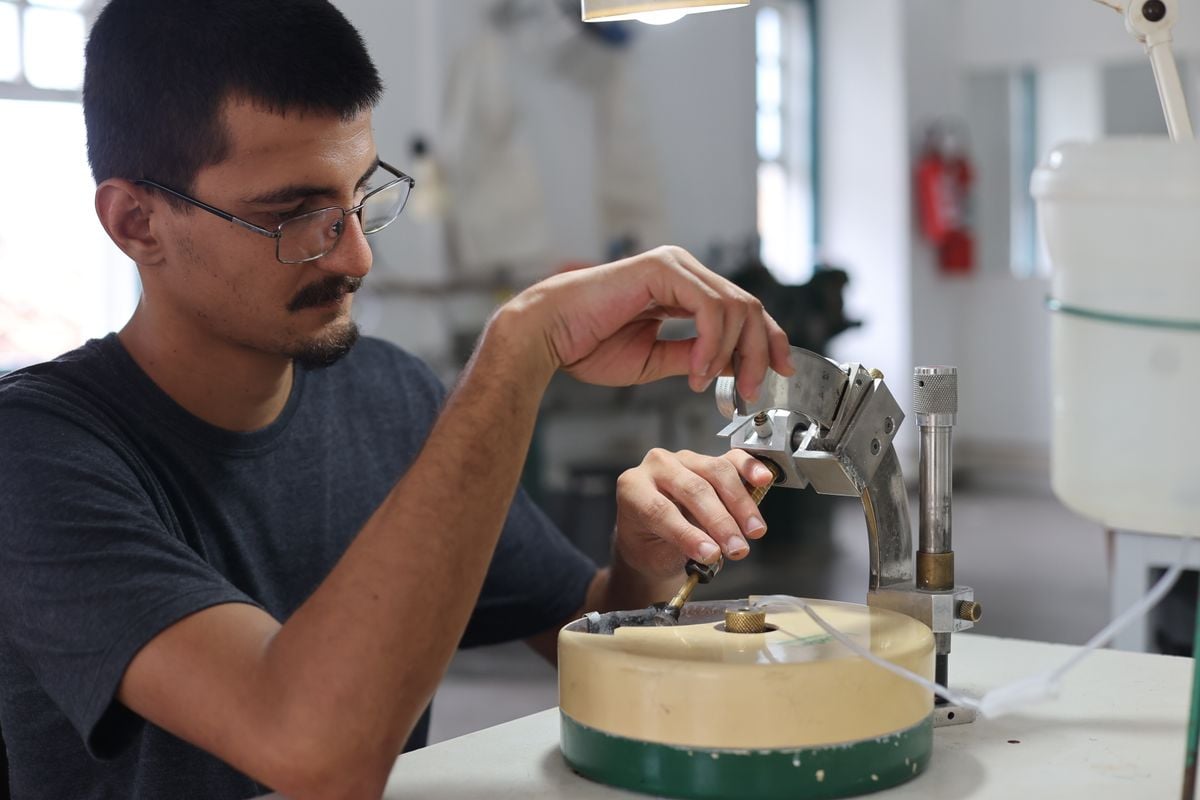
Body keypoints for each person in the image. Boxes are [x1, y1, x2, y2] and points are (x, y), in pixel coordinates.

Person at [0, 1, 794, 798]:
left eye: (362, 194)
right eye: (295, 215)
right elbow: (315, 750)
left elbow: (586, 635)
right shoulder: (34, 455)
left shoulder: (389, 397)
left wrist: (643, 564)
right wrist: (521, 345)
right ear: (136, 222)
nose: (356, 253)